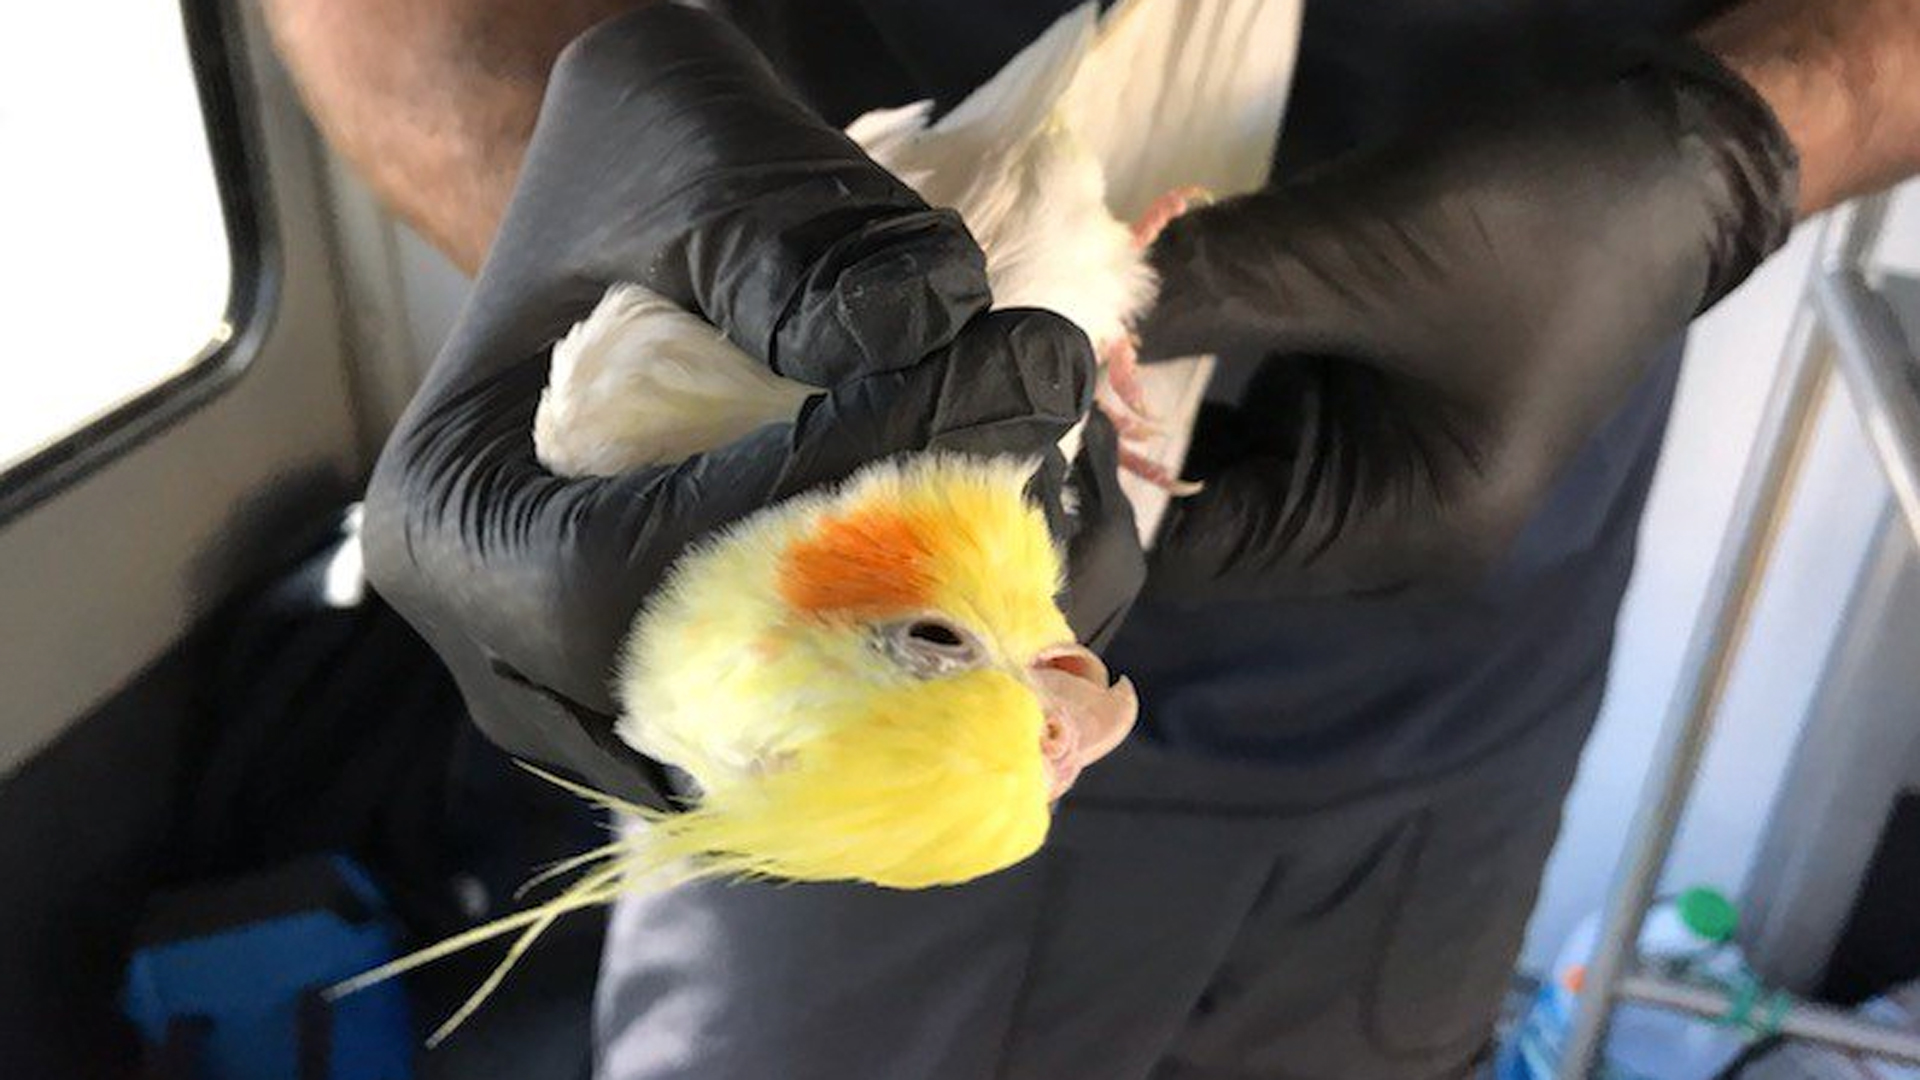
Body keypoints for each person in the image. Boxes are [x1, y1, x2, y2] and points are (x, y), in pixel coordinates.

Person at [263, 0, 1920, 1076]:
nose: (1074, 699)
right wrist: (551, 174)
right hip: (870, 892)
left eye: (936, 647)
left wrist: (1723, 153)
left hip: (1451, 691)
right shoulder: (863, 750)